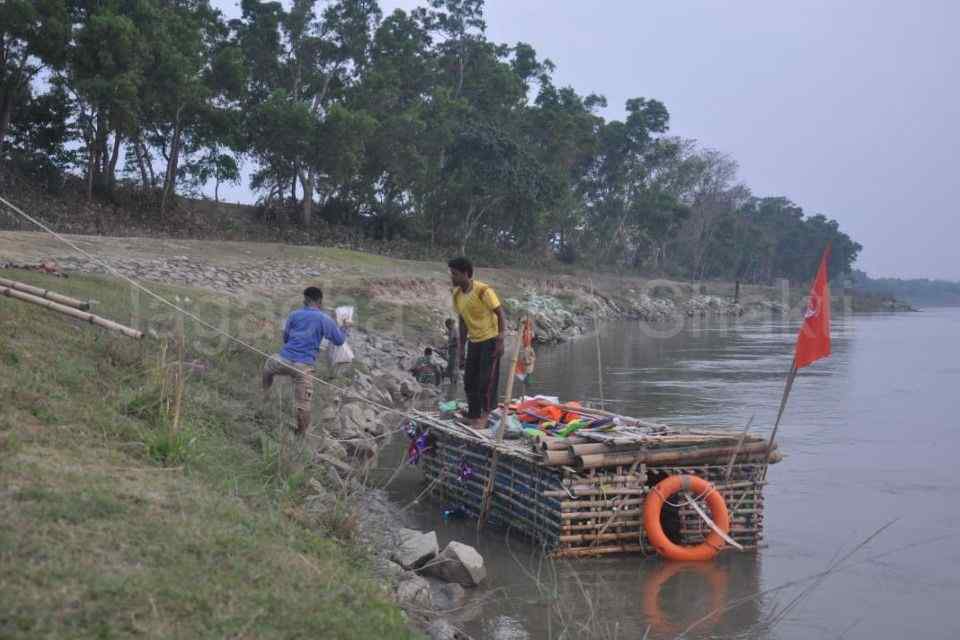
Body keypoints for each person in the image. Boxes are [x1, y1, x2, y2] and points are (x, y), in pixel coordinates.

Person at [262, 286, 348, 435]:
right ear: (320, 301)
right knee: (304, 405)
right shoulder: (325, 319)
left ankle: (264, 396)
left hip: (282, 360)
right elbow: (339, 341)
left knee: (267, 368)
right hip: (304, 367)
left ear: (305, 300)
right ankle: (300, 435)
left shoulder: (294, 314)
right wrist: (345, 328)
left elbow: (286, 339)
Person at [448, 256, 505, 427]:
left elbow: (501, 314)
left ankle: (485, 417)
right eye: (451, 273)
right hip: (474, 342)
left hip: (490, 340)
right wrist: (461, 349)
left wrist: (501, 339)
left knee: (486, 382)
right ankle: (473, 415)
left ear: (466, 274)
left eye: (455, 274)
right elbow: (463, 321)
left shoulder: (483, 291)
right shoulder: (457, 295)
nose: (452, 277)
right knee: (469, 381)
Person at [444, 318, 459, 384]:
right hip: (452, 351)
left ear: (450, 324)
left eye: (447, 326)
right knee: (450, 366)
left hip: (455, 351)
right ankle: (451, 382)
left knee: (454, 368)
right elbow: (450, 340)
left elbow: (458, 342)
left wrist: (449, 345)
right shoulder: (451, 330)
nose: (447, 328)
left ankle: (453, 383)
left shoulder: (455, 330)